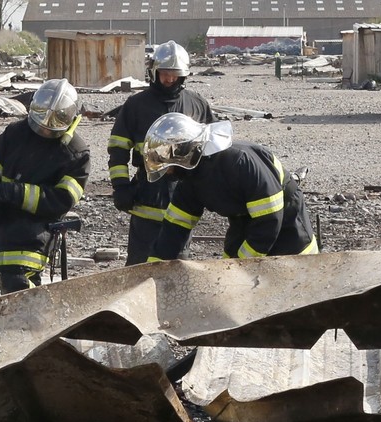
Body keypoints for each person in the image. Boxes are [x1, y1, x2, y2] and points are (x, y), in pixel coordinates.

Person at [142, 112, 318, 262]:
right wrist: (153, 271)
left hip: (287, 223)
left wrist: (241, 268)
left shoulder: (239, 162)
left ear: (182, 154)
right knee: (232, 270)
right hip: (244, 221)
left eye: (168, 166)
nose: (168, 173)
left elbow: (269, 219)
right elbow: (175, 228)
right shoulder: (190, 177)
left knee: (291, 282)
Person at [0, 78, 90, 294]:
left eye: (51, 128)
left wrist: (13, 193)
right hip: (4, 221)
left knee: (18, 277)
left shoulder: (75, 153)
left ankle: (25, 319)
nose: (45, 132)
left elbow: (61, 200)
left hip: (38, 226)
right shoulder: (14, 134)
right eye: (41, 125)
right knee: (8, 275)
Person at [107, 40, 215, 265]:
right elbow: (118, 149)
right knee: (139, 266)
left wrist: (208, 187)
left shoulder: (196, 104)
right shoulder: (136, 105)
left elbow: (211, 149)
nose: (169, 79)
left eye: (175, 74)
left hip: (183, 194)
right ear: (154, 72)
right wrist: (120, 186)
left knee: (177, 264)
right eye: (165, 73)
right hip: (146, 191)